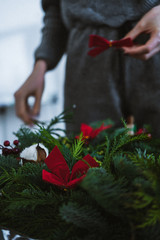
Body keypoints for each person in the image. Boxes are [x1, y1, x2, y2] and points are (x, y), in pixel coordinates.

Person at [14, 1, 160, 136]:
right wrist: (41, 64)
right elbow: (55, 10)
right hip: (85, 71)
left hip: (152, 51)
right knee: (88, 158)